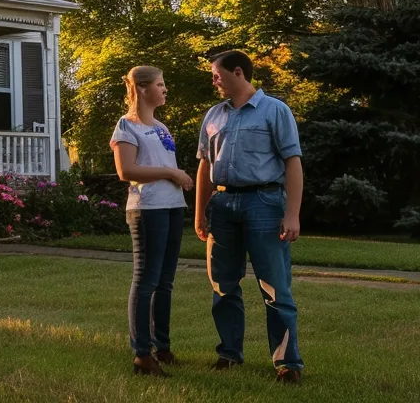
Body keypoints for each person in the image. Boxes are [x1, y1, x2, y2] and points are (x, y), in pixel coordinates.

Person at [195, 49, 305, 383]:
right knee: (223, 285)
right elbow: (204, 166)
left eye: (217, 74)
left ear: (238, 72)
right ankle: (229, 354)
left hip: (264, 204)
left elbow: (293, 163)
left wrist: (292, 215)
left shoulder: (275, 111)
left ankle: (287, 363)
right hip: (223, 206)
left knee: (274, 287)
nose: (213, 80)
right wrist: (199, 213)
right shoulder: (214, 116)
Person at [110, 66, 194, 377]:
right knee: (146, 280)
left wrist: (177, 180)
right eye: (160, 84)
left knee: (165, 282)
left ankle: (164, 348)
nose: (165, 89)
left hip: (172, 206)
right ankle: (142, 355)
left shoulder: (161, 126)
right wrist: (172, 173)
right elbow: (127, 171)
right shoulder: (126, 127)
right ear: (143, 89)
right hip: (147, 210)